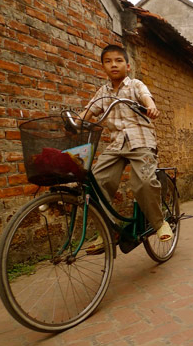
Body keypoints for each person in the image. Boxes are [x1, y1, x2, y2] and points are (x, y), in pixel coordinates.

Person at [80, 44, 172, 254]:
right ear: (103, 66)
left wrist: (151, 106)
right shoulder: (103, 93)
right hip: (116, 145)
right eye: (108, 61)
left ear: (128, 66)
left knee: (144, 182)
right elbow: (88, 111)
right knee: (95, 181)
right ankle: (108, 230)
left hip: (141, 141)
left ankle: (159, 223)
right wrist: (74, 121)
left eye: (118, 61)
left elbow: (146, 97)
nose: (114, 65)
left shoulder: (135, 85)